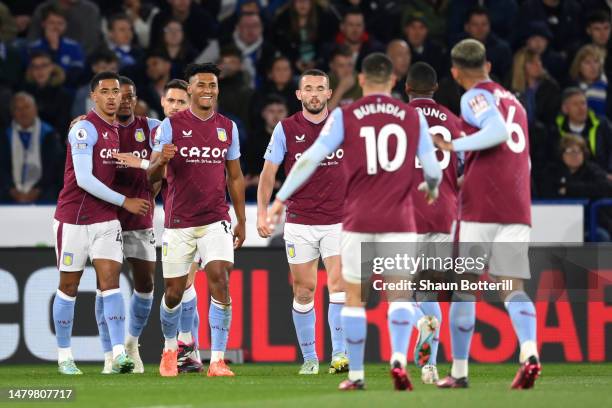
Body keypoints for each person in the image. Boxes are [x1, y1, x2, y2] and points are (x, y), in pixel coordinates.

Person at [267, 53, 442, 391]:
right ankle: (398, 362)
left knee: (352, 299)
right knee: (400, 296)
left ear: (361, 80)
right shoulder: (412, 116)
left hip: (358, 218)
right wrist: (431, 187)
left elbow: (309, 160)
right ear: (392, 81)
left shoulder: (346, 117)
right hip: (400, 219)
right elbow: (432, 169)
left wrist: (279, 199)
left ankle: (357, 375)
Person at [432, 39, 540, 389]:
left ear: (455, 72)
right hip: (516, 203)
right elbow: (519, 154)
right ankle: (530, 351)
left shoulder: (473, 96)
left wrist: (453, 145)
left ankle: (459, 371)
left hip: (482, 205)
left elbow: (494, 131)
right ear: (488, 66)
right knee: (512, 287)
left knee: (464, 288)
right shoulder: (517, 104)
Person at [147, 63, 245, 377]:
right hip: (179, 222)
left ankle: (216, 359)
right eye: (201, 85)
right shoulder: (170, 126)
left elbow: (235, 176)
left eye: (212, 85)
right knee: (174, 292)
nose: (207, 90)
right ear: (189, 89)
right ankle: (169, 349)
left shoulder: (228, 127)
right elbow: (151, 178)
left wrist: (240, 218)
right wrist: (161, 160)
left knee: (220, 278)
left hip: (216, 218)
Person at [52, 71, 149, 375]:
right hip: (73, 219)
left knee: (111, 285)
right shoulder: (84, 129)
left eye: (116, 91)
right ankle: (65, 355)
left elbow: (155, 135)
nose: (111, 97)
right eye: (104, 91)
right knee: (69, 286)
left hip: (106, 220)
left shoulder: (118, 130)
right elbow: (83, 179)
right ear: (93, 96)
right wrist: (125, 201)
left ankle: (119, 354)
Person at [257, 69, 348, 375]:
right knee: (304, 291)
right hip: (299, 221)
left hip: (339, 220)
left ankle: (340, 354)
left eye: (319, 89)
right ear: (299, 95)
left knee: (338, 286)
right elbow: (269, 172)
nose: (313, 94)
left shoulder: (343, 125)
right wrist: (262, 212)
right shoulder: (285, 128)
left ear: (328, 93)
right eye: (307, 89)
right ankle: (310, 358)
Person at [88, 76, 159, 374]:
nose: (124, 100)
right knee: (107, 288)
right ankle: (109, 353)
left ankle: (131, 343)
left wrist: (150, 177)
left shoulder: (152, 128)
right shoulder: (96, 129)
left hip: (140, 216)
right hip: (107, 216)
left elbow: (164, 166)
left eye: (129, 95)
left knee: (146, 284)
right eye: (119, 95)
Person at [405, 62, 463, 385]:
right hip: (442, 214)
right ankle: (431, 367)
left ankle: (419, 326)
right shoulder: (454, 122)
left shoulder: (399, 120)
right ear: (436, 89)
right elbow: (465, 170)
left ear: (407, 88)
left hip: (406, 214)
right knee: (427, 293)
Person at [0, 92, 63, 203]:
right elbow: (2, 168)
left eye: (26, 107)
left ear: (35, 109)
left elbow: (53, 167)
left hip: (44, 189)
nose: (23, 112)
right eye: (17, 109)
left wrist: (38, 189)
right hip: (10, 191)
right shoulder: (4, 135)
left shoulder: (49, 134)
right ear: (12, 113)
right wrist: (11, 189)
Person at [553, 87, 612, 174]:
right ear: (565, 109)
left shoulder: (602, 125)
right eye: (575, 104)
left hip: (601, 177)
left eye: (583, 103)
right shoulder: (556, 129)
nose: (581, 108)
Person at [569, 44, 608, 118]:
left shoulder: (608, 87)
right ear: (579, 67)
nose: (593, 67)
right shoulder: (571, 88)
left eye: (596, 61)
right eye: (587, 62)